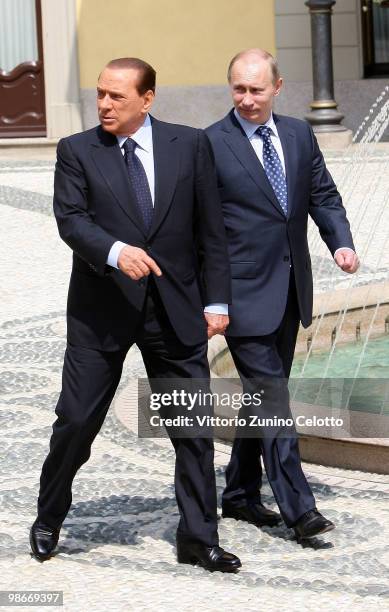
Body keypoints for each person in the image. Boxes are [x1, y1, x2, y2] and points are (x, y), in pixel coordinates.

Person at [29, 57, 241, 573]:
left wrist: (217, 301)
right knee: (76, 421)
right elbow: (71, 221)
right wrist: (113, 250)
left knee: (191, 428)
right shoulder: (77, 150)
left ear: (148, 99)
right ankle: (49, 513)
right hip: (101, 310)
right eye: (101, 94)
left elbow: (210, 229)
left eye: (117, 96)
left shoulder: (189, 144)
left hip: (174, 310)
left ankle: (197, 536)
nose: (104, 104)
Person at [205, 49, 359, 540]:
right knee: (273, 399)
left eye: (256, 89)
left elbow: (322, 196)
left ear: (277, 86)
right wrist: (212, 300)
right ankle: (299, 509)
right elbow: (201, 230)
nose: (246, 99)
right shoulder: (209, 144)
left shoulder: (296, 134)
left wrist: (341, 243)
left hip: (291, 291)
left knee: (261, 398)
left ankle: (239, 493)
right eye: (238, 89)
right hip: (241, 296)